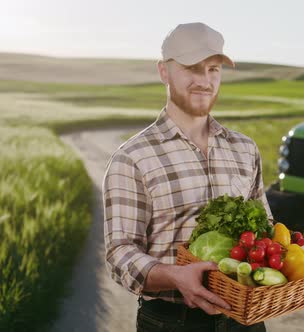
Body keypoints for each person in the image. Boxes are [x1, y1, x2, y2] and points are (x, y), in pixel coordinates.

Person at [102, 22, 271, 331]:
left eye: (213, 69)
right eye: (192, 68)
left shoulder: (245, 149)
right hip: (172, 322)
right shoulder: (133, 158)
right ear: (164, 71)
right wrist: (173, 275)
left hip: (244, 320)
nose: (204, 81)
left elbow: (265, 226)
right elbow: (120, 253)